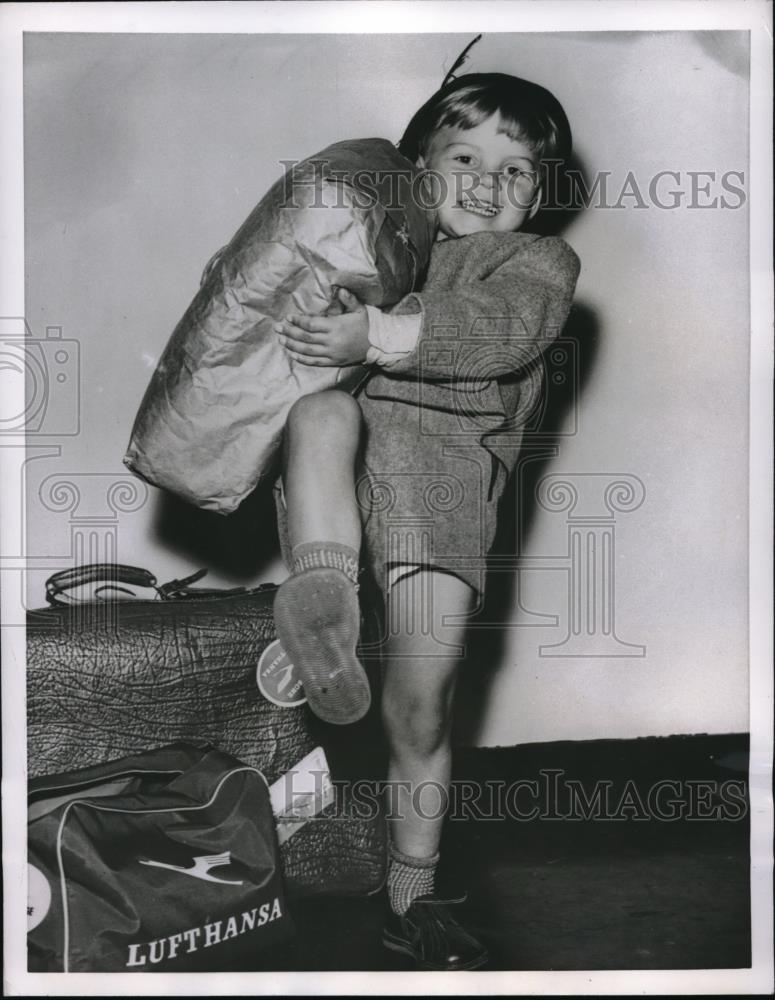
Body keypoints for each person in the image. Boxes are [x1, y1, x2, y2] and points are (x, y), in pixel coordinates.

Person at [271, 72, 580, 970]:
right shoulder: (371, 248)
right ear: (418, 166)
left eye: (517, 171)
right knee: (319, 417)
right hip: (343, 475)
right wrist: (319, 316)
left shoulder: (537, 266)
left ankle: (414, 890)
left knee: (420, 709)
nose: (489, 182)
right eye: (465, 157)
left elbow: (498, 333)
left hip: (438, 498)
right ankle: (321, 591)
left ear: (540, 193)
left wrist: (373, 334)